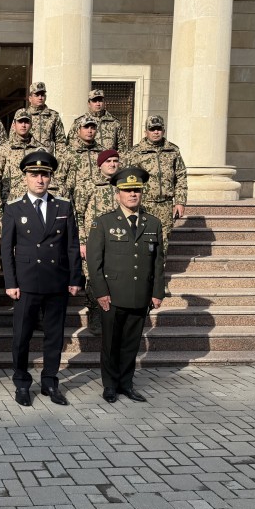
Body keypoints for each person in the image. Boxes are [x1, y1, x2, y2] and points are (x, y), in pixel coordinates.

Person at [1, 151, 84, 407]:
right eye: (34, 175)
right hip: (26, 283)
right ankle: (22, 382)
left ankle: (50, 381)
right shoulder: (15, 208)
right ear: (25, 177)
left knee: (54, 336)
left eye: (44, 175)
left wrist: (75, 278)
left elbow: (72, 245)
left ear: (50, 178)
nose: (39, 179)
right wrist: (11, 282)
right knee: (22, 335)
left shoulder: (63, 206)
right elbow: (6, 248)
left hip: (56, 281)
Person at [87, 167, 165, 404]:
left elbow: (158, 261)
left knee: (131, 344)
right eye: (127, 190)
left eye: (137, 190)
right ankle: (110, 385)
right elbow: (94, 261)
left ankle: (126, 383)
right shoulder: (103, 223)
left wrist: (157, 292)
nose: (133, 194)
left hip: (140, 295)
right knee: (111, 344)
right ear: (118, 193)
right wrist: (100, 292)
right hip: (112, 295)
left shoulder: (153, 223)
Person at [125, 114, 188, 255]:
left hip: (165, 205)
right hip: (144, 204)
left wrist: (180, 201)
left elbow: (181, 177)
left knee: (163, 241)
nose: (156, 132)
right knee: (143, 240)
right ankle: (144, 275)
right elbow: (129, 180)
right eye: (152, 129)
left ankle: (159, 274)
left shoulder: (173, 151)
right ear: (146, 131)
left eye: (158, 129)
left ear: (163, 130)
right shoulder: (136, 152)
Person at [77, 149, 121, 334]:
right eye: (108, 161)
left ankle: (113, 315)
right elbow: (78, 214)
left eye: (115, 161)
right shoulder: (88, 184)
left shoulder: (122, 183)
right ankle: (95, 315)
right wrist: (82, 241)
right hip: (93, 240)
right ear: (100, 164)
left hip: (117, 241)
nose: (112, 164)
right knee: (93, 278)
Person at [0, 108, 45, 204]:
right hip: (11, 201)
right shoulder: (4, 148)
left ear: (31, 124)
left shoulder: (39, 149)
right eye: (20, 121)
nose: (23, 125)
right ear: (14, 124)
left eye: (26, 122)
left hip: (35, 201)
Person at [56, 116, 103, 202]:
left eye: (93, 128)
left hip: (98, 200)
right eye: (86, 127)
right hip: (75, 200)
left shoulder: (102, 152)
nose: (89, 131)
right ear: (78, 130)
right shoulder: (68, 152)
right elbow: (59, 179)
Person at [68, 89, 130, 153]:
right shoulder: (79, 122)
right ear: (89, 104)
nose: (98, 104)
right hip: (86, 161)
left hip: (108, 161)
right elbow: (71, 145)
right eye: (94, 101)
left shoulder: (114, 122)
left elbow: (123, 147)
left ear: (104, 102)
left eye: (100, 101)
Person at [13, 81, 64, 156]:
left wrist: (59, 161)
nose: (40, 97)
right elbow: (13, 137)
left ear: (45, 97)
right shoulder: (22, 115)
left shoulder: (53, 116)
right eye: (37, 95)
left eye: (42, 95)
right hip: (27, 158)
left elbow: (60, 141)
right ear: (30, 98)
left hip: (47, 159)